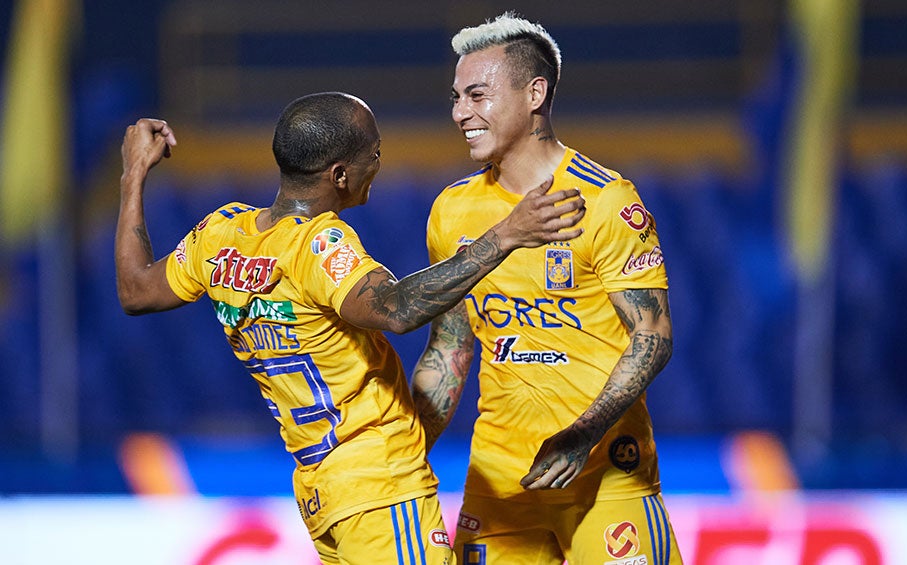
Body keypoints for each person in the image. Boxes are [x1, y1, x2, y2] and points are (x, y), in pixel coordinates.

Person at [114, 92, 585, 565]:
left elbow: (135, 291)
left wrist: (133, 174)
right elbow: (395, 309)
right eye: (373, 155)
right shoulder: (317, 242)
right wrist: (504, 236)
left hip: (322, 488)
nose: (378, 165)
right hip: (379, 488)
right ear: (339, 175)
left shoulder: (218, 236)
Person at [411, 13, 683, 565]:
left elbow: (652, 336)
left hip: (606, 475)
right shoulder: (452, 211)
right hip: (499, 482)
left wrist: (583, 435)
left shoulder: (607, 202)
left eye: (478, 95)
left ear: (535, 93)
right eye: (457, 97)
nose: (461, 112)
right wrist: (407, 449)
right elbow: (451, 348)